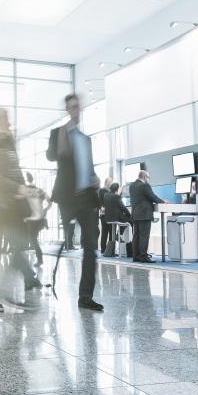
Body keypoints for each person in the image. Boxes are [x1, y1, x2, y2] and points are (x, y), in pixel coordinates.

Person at [0, 107, 42, 312]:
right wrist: (16, 187)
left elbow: (15, 169)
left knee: (19, 242)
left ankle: (27, 278)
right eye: (4, 118)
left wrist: (25, 189)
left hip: (11, 203)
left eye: (8, 119)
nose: (8, 122)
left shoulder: (9, 142)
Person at [47, 93, 103, 311]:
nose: (75, 110)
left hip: (88, 197)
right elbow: (51, 156)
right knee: (67, 241)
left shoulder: (85, 140)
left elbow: (87, 167)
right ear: (67, 109)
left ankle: (85, 297)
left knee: (90, 247)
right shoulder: (58, 133)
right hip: (67, 198)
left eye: (78, 106)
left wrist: (95, 179)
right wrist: (63, 134)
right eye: (71, 107)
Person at [128, 170, 164, 263]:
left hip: (135, 214)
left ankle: (135, 256)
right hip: (144, 214)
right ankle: (143, 256)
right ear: (144, 177)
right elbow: (153, 197)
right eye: (148, 177)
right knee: (144, 236)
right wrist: (163, 202)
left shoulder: (132, 186)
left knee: (136, 236)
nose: (148, 179)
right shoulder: (145, 185)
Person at [102, 183, 131, 255]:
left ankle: (112, 249)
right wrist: (129, 215)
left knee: (111, 234)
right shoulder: (116, 196)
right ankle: (119, 234)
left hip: (108, 218)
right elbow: (123, 208)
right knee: (130, 220)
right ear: (117, 189)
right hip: (116, 218)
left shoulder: (106, 195)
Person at [98, 177, 114, 253]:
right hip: (104, 214)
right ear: (106, 182)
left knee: (111, 232)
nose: (111, 183)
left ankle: (110, 250)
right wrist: (101, 207)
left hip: (111, 214)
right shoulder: (101, 190)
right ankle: (103, 249)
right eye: (110, 181)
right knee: (105, 232)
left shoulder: (111, 191)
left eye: (112, 182)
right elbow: (99, 201)